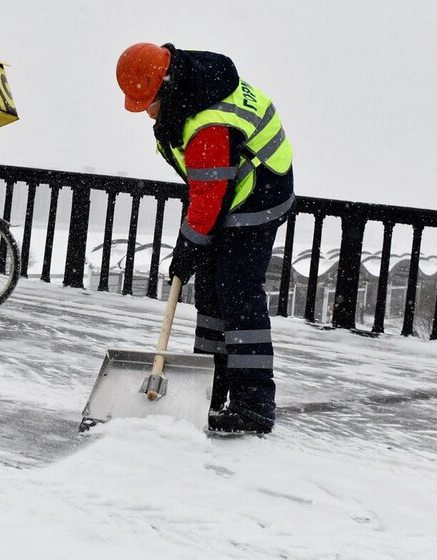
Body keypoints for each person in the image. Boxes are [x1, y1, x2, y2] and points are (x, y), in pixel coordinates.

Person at [116, 43, 295, 434]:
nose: (146, 111)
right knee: (213, 292)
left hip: (258, 194)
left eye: (149, 101)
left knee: (238, 292)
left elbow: (211, 195)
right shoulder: (190, 87)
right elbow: (205, 186)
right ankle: (209, 392)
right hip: (232, 187)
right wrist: (195, 243)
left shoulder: (208, 123)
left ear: (167, 85)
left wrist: (188, 246)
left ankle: (253, 405)